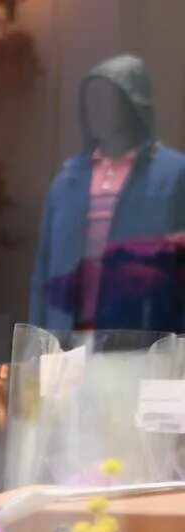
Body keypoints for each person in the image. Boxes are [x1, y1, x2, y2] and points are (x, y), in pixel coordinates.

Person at [29, 54, 185, 335]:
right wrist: (37, 347)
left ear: (132, 101)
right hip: (68, 340)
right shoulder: (66, 183)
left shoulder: (173, 175)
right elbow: (43, 271)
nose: (96, 108)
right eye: (91, 98)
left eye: (107, 97)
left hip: (143, 341)